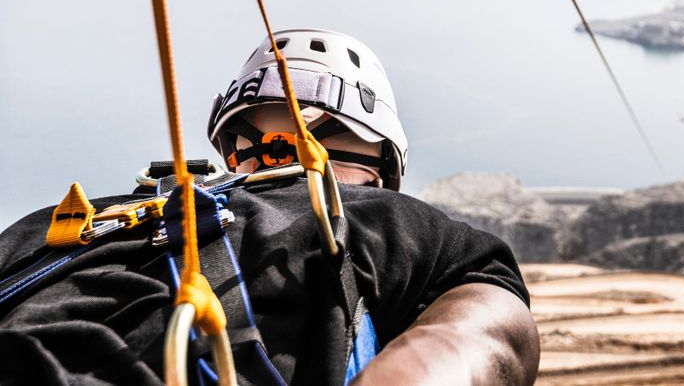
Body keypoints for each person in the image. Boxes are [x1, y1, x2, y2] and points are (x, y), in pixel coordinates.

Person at [0, 28, 540, 386]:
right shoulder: (391, 220)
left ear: (233, 148)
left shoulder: (68, 219)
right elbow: (486, 342)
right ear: (377, 169)